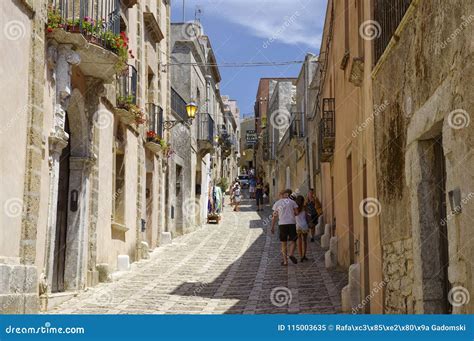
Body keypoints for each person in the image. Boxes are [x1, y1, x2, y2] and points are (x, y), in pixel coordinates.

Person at [271, 189, 299, 266]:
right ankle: (291, 254)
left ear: (282, 194)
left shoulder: (277, 203)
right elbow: (296, 213)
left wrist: (272, 227)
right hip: (291, 223)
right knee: (293, 240)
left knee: (283, 243)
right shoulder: (293, 202)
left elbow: (274, 216)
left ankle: (285, 261)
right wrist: (292, 214)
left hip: (282, 224)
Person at [295, 195, 309, 262]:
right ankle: (304, 255)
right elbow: (306, 216)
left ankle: (300, 255)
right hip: (304, 225)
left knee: (299, 241)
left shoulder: (295, 208)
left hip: (298, 226)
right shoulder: (305, 207)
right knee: (304, 241)